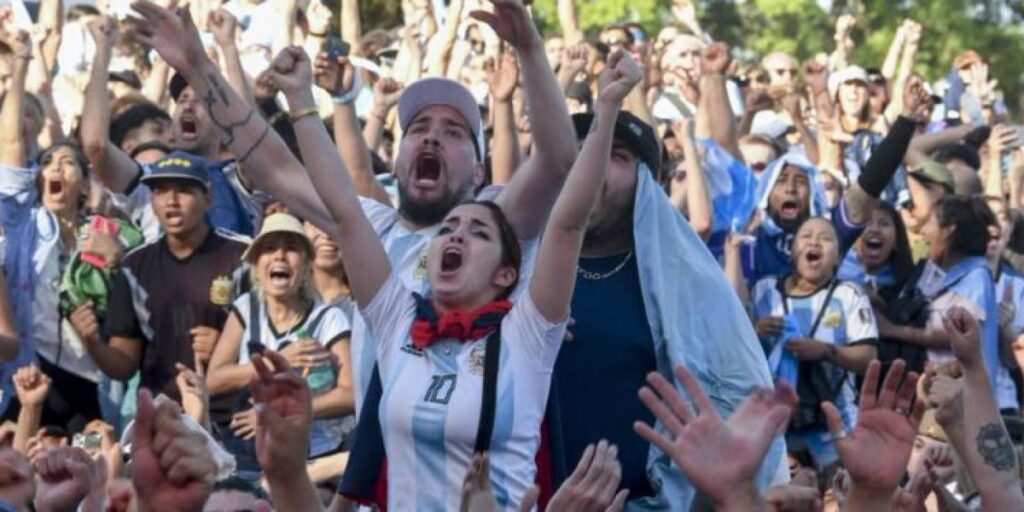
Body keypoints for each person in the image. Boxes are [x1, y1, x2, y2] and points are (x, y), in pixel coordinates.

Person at [548, 43, 780, 508]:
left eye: (613, 154)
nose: (590, 165)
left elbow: (734, 396)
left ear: (646, 186)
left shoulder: (689, 285)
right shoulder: (524, 274)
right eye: (582, 151)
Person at [89, 152, 250, 409]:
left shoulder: (243, 256)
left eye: (184, 191)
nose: (171, 201)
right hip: (163, 413)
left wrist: (228, 349)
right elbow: (125, 364)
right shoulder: (135, 266)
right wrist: (92, 343)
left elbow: (276, 336)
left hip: (234, 415)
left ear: (208, 199)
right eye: (160, 191)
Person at [206, 212, 352, 481]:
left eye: (292, 248)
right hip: (250, 458)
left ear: (306, 265)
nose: (280, 256)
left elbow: (349, 395)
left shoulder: (329, 319)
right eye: (270, 248)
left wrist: (281, 413)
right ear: (256, 265)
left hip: (314, 460)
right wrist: (278, 360)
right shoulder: (245, 308)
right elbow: (214, 380)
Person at [751, 217, 878, 470]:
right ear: (792, 251)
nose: (815, 242)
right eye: (806, 236)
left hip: (836, 428)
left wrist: (826, 351)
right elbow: (738, 352)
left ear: (838, 258)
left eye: (825, 238)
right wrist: (755, 332)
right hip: (773, 430)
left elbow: (869, 358)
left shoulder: (849, 294)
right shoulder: (765, 291)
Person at [881, 196, 1001, 390]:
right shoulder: (930, 270)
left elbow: (958, 336)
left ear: (948, 231)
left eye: (930, 222)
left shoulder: (976, 275)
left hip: (965, 395)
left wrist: (895, 331)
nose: (922, 231)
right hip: (929, 389)